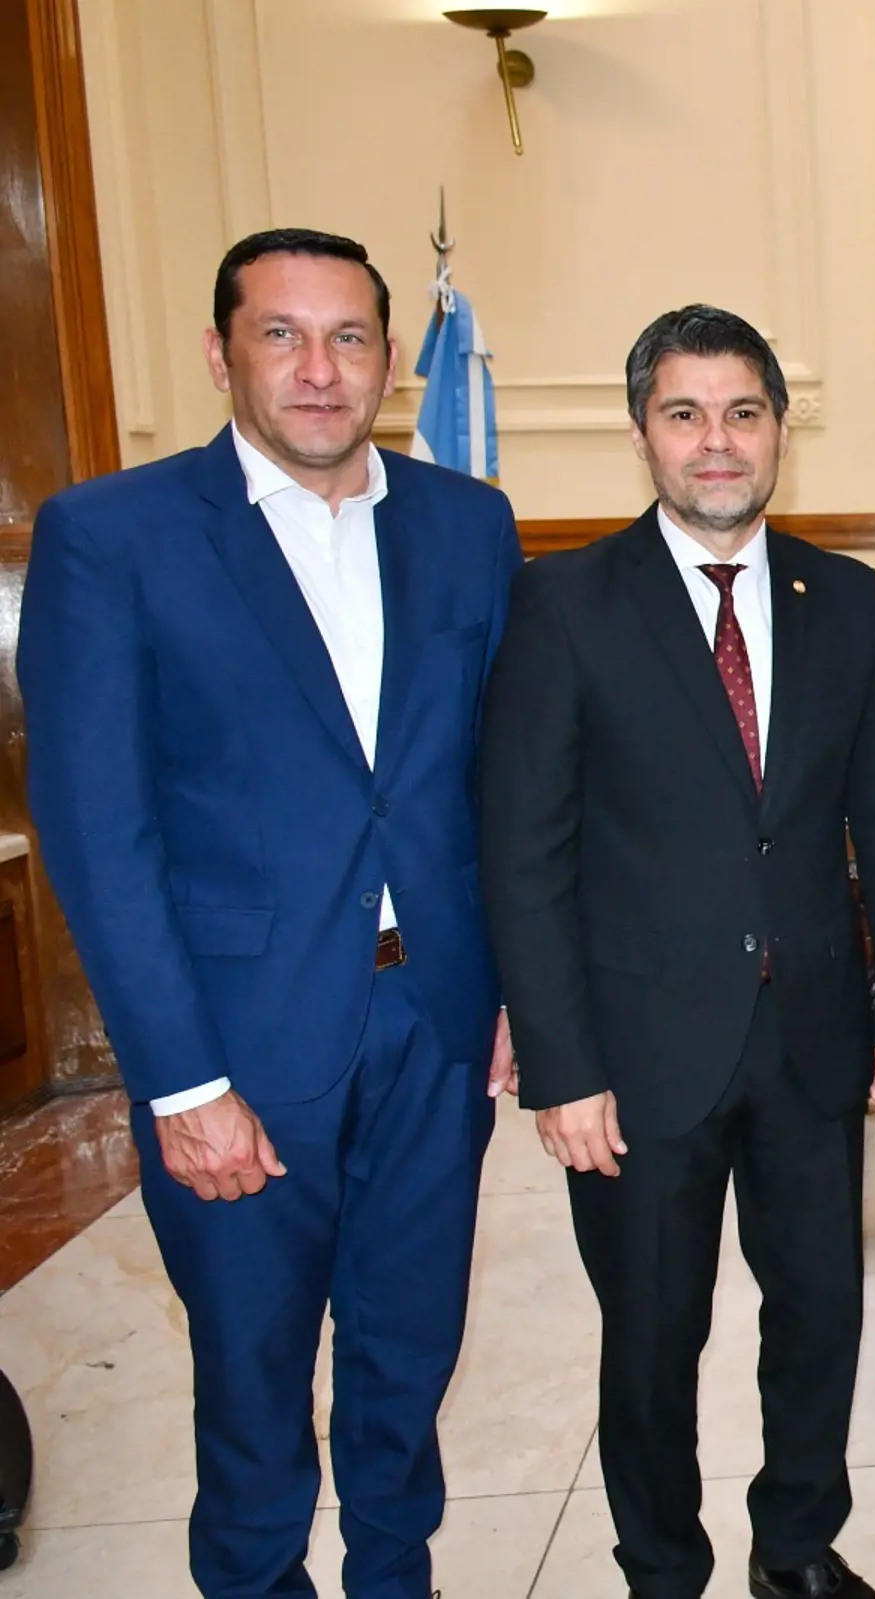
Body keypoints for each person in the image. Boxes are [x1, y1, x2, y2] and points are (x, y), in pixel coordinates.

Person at [18, 227, 520, 1599]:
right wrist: (181, 1081)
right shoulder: (112, 537)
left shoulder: (468, 526)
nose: (318, 369)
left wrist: (513, 995)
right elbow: (100, 833)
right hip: (237, 1044)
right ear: (219, 353)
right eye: (282, 335)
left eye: (349, 338)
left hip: (434, 1025)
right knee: (251, 1379)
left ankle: (393, 1577)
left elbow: (499, 784)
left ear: (391, 362)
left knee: (408, 1354)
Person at [478, 305, 875, 1599]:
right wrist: (560, 1065)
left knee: (821, 1314)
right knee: (651, 1339)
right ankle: (661, 1568)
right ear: (643, 435)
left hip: (813, 1037)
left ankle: (795, 1546)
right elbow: (525, 854)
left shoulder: (843, 598)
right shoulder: (564, 601)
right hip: (635, 1057)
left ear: (781, 429)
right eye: (684, 414)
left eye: (743, 411)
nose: (717, 441)